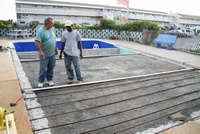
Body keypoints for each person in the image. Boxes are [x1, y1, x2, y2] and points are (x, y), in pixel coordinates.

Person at [35, 17, 58, 88]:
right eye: (52, 23)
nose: (53, 25)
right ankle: (40, 81)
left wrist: (56, 48)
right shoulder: (41, 31)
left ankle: (49, 80)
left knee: (51, 67)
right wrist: (40, 51)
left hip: (52, 53)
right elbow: (37, 41)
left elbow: (53, 40)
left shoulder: (51, 30)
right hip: (44, 54)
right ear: (48, 23)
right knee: (43, 68)